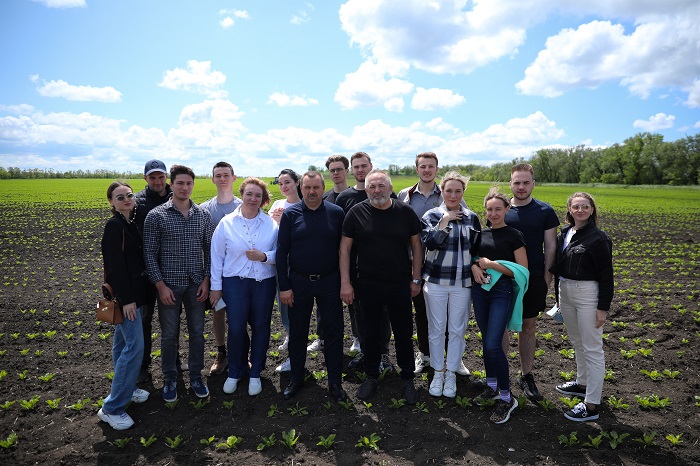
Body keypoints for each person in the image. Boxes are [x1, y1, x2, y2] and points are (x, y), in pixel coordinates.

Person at [340, 169, 422, 404]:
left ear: (390, 188)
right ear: (366, 190)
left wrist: (416, 278)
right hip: (367, 284)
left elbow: (416, 246)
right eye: (372, 187)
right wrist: (345, 282)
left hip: (399, 284)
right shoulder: (356, 213)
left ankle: (407, 378)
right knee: (370, 333)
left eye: (381, 186)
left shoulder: (405, 212)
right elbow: (344, 249)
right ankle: (372, 376)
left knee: (404, 333)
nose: (377, 191)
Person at [143, 164, 214, 402]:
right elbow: (149, 253)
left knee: (196, 333)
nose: (185, 187)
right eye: (180, 183)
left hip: (196, 285)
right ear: (171, 185)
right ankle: (170, 379)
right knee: (168, 335)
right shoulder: (157, 216)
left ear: (194, 185)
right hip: (169, 287)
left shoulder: (203, 215)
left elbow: (210, 249)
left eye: (189, 183)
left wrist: (206, 279)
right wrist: (160, 285)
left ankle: (196, 377)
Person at [277, 172, 348, 402]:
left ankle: (335, 382)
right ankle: (297, 378)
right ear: (301, 187)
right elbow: (281, 252)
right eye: (307, 187)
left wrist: (344, 281)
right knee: (298, 332)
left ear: (323, 187)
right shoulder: (291, 214)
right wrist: (285, 286)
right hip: (299, 282)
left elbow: (344, 250)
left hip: (329, 281)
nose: (311, 192)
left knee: (334, 332)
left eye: (316, 187)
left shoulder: (336, 213)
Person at [398, 152, 470, 376]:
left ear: (436, 169)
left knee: (449, 315)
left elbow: (465, 223)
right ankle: (426, 354)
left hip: (442, 265)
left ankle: (454, 358)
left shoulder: (449, 193)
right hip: (412, 262)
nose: (427, 170)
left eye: (431, 166)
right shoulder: (406, 195)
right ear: (417, 169)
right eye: (423, 166)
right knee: (421, 311)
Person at [209, 177, 278, 396]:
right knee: (237, 328)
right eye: (249, 194)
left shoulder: (271, 224)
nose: (253, 199)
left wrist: (264, 256)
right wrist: (216, 287)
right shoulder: (227, 223)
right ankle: (236, 371)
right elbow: (217, 256)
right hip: (234, 283)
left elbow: (281, 252)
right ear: (242, 194)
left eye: (258, 195)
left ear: (263, 199)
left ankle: (256, 371)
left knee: (261, 327)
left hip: (263, 283)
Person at [550, 192, 613, 422]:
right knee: (577, 341)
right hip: (565, 292)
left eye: (585, 206)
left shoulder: (599, 238)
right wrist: (558, 298)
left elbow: (607, 276)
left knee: (593, 348)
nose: (580, 210)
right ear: (569, 209)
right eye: (576, 206)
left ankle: (592, 404)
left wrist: (602, 307)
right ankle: (582, 382)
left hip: (588, 294)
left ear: (592, 209)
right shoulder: (566, 233)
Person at [420, 172, 481, 398]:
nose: (453, 195)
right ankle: (438, 372)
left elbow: (476, 249)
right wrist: (444, 223)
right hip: (435, 281)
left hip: (462, 283)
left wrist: (475, 264)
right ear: (441, 192)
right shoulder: (432, 215)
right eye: (449, 191)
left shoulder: (472, 217)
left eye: (458, 191)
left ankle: (452, 373)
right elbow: (430, 244)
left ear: (463, 192)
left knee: (457, 330)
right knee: (436, 329)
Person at [471, 188, 529, 424]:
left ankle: (507, 398)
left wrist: (492, 264)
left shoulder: (514, 235)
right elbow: (473, 260)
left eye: (498, 209)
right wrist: (475, 267)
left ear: (507, 209)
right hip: (480, 290)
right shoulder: (479, 234)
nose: (493, 213)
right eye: (489, 209)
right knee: (486, 341)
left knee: (494, 344)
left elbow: (522, 270)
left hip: (501, 292)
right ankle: (492, 386)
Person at [504, 163, 560, 403]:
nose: (521, 187)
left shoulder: (545, 211)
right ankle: (499, 374)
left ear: (533, 184)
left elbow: (551, 246)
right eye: (517, 182)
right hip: (504, 277)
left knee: (528, 326)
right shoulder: (502, 209)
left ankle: (526, 375)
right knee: (502, 326)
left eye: (526, 182)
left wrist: (547, 276)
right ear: (511, 184)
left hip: (534, 277)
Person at [336, 152, 394, 373]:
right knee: (358, 312)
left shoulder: (388, 194)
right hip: (356, 268)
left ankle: (384, 353)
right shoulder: (345, 198)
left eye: (364, 166)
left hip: (384, 268)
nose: (360, 170)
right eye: (356, 167)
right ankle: (363, 349)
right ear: (352, 170)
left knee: (384, 314)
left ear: (371, 166)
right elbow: (342, 238)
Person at [98, 182, 150, 430]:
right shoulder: (114, 226)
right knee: (134, 348)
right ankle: (113, 407)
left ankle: (126, 389)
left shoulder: (129, 222)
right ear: (111, 202)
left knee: (121, 345)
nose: (127, 199)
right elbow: (115, 267)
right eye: (120, 197)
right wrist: (127, 300)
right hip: (127, 299)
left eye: (129, 195)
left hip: (136, 296)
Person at [200, 162, 242, 376]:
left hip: (239, 272)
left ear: (234, 178)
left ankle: (241, 355)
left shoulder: (245, 205)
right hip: (215, 272)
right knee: (218, 312)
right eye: (218, 175)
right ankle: (221, 353)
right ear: (213, 179)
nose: (222, 178)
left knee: (241, 315)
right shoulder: (204, 209)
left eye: (226, 175)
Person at [133, 159, 172, 384]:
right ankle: (143, 364)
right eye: (152, 177)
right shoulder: (137, 202)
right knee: (144, 320)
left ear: (166, 177)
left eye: (161, 176)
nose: (157, 181)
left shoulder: (176, 197)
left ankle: (173, 360)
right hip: (145, 273)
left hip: (170, 270)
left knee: (171, 321)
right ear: (145, 178)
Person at [269, 169, 302, 373]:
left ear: (297, 183)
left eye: (287, 182)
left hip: (298, 263)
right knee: (283, 305)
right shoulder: (277, 205)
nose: (284, 187)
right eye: (280, 183)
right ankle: (291, 335)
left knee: (296, 306)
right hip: (279, 262)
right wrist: (272, 220)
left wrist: (284, 222)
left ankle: (297, 349)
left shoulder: (304, 203)